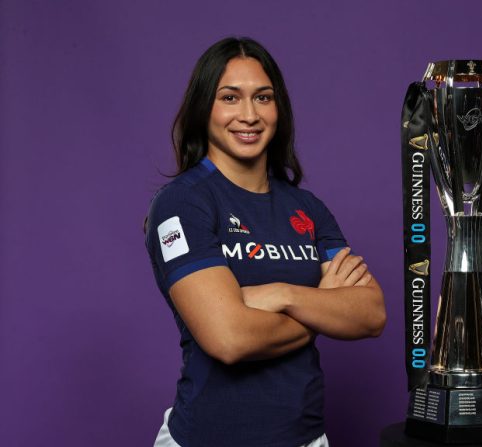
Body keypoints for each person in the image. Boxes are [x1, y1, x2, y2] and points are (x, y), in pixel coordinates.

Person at [144, 37, 386, 447]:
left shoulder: (306, 207)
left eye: (263, 97)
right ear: (205, 108)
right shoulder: (183, 204)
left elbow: (370, 313)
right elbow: (230, 339)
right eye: (230, 98)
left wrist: (282, 294)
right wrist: (321, 306)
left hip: (305, 439)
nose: (249, 115)